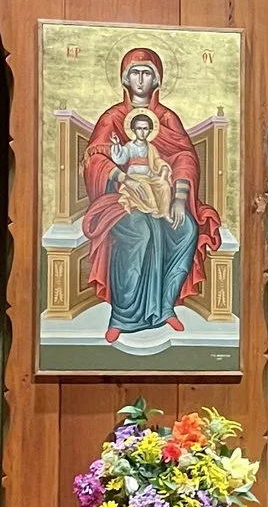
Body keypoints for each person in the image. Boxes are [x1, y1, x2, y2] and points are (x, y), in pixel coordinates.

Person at [80, 48, 222, 344]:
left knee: (186, 230)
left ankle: (165, 307)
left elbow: (185, 157)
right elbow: (95, 158)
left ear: (157, 80)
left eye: (147, 73)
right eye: (135, 72)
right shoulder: (112, 117)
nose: (141, 79)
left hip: (161, 196)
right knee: (140, 234)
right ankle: (121, 316)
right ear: (125, 78)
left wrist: (179, 198)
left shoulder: (167, 119)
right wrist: (123, 177)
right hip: (120, 198)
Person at [112, 109, 175, 220]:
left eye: (145, 129)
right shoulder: (130, 146)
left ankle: (164, 212)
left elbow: (157, 161)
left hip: (149, 177)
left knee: (164, 185)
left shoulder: (151, 148)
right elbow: (120, 159)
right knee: (144, 185)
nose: (142, 132)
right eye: (139, 129)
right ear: (133, 130)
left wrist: (164, 167)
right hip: (135, 177)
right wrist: (117, 145)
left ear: (149, 131)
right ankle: (153, 210)